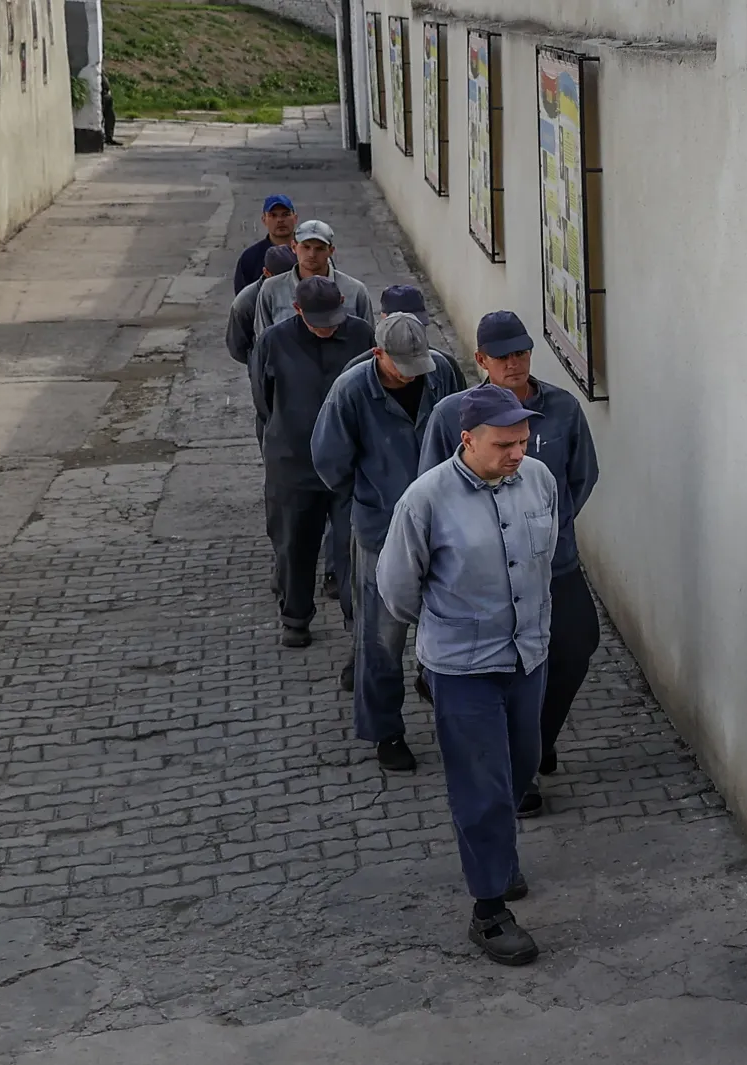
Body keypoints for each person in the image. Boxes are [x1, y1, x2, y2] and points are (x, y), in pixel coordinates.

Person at [376, 384, 561, 965]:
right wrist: (445, 637)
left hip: (527, 656)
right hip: (462, 669)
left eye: (523, 441)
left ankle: (498, 859)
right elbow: (397, 590)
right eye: (504, 444)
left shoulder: (539, 481)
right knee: (481, 788)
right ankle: (489, 910)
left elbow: (544, 557)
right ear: (467, 441)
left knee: (522, 767)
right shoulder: (423, 500)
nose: (517, 453)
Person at [419, 312, 599, 816]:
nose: (515, 363)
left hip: (552, 564)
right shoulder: (452, 415)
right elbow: (430, 490)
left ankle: (538, 738)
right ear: (481, 361)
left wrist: (544, 530)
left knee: (577, 644)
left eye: (521, 353)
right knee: (503, 668)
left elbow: (581, 478)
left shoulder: (561, 409)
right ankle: (517, 773)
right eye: (503, 356)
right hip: (481, 576)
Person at [311, 311, 465, 771]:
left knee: (451, 621)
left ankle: (443, 695)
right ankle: (385, 730)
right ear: (378, 354)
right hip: (383, 531)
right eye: (402, 364)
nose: (413, 372)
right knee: (381, 636)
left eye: (418, 362)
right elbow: (329, 462)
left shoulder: (442, 371)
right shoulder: (352, 390)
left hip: (444, 525)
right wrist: (371, 498)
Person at [247, 276, 374, 648]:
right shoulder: (273, 341)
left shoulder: (362, 335)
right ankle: (296, 616)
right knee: (294, 543)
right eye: (316, 320)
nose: (325, 328)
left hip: (349, 462)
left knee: (352, 546)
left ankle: (358, 622)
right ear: (297, 310)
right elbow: (263, 400)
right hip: (293, 463)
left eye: (332, 318)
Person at [253, 220, 375, 334]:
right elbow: (263, 338)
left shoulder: (355, 290)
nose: (312, 254)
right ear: (294, 247)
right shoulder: (272, 289)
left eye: (320, 248)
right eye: (306, 247)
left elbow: (367, 337)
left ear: (331, 251)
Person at [227, 244, 297, 364]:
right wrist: (256, 361)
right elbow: (237, 347)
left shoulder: (300, 288)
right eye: (280, 277)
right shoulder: (246, 301)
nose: (286, 281)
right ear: (266, 272)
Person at [231, 193, 298, 293]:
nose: (280, 220)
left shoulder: (310, 251)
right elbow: (242, 301)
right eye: (273, 215)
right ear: (264, 220)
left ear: (295, 218)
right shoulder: (250, 258)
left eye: (286, 214)